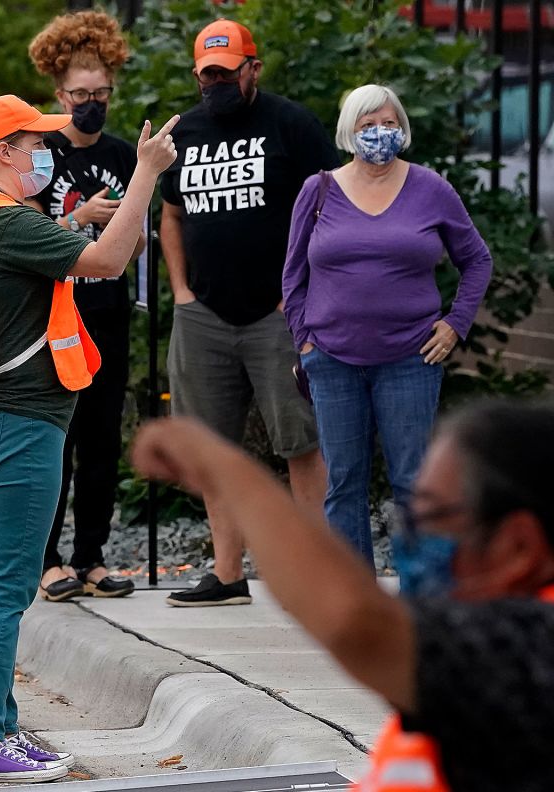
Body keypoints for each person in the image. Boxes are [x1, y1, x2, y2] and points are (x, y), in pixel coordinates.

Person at [0, 94, 177, 782]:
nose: (46, 155)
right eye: (35, 143)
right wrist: (145, 171)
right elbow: (107, 261)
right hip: (16, 426)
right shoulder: (1, 223)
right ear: (1, 153)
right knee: (5, 589)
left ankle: (0, 728)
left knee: (4, 582)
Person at [132, 399, 554, 792]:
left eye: (432, 517)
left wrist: (221, 466)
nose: (414, 539)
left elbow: (359, 625)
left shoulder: (534, 652)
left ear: (518, 547)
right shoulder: (478, 678)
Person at [159, 18, 337, 607]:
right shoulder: (185, 131)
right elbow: (171, 216)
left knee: (300, 439)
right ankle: (228, 574)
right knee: (212, 447)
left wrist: (301, 292)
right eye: (206, 74)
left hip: (279, 313)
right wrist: (181, 291)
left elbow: (329, 210)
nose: (215, 83)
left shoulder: (293, 125)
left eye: (226, 72)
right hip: (204, 313)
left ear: (252, 68)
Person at [282, 85, 493, 567]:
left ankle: (424, 597)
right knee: (344, 484)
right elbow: (293, 274)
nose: (380, 132)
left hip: (410, 359)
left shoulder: (431, 188)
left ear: (403, 126)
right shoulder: (319, 190)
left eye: (389, 122)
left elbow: (477, 260)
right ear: (349, 131)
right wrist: (306, 341)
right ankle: (359, 608)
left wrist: (455, 324)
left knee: (414, 483)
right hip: (332, 360)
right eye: (367, 124)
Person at [27, 9, 138, 602]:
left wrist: (127, 232)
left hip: (109, 316)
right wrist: (79, 219)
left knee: (102, 442)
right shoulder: (41, 154)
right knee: (57, 443)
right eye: (80, 94)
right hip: (55, 320)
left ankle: (91, 555)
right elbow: (28, 232)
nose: (91, 103)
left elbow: (135, 233)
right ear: (58, 92)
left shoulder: (123, 156)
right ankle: (47, 561)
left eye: (101, 93)